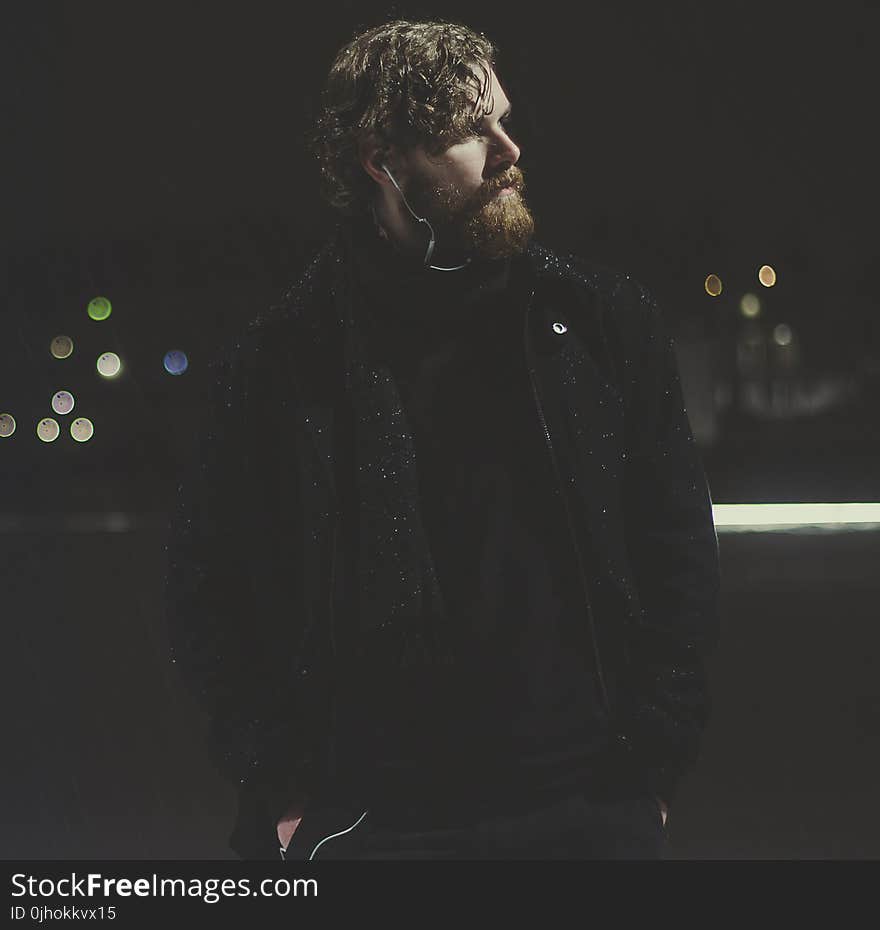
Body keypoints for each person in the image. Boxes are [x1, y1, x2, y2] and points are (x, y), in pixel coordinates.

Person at [164, 19, 721, 860]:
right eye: (470, 131)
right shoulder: (278, 364)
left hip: (586, 802)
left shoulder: (602, 326)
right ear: (380, 159)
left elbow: (676, 548)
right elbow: (207, 593)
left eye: (502, 117)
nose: (509, 149)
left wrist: (652, 763)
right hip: (372, 822)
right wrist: (282, 783)